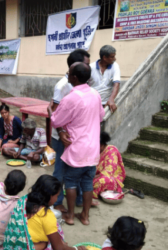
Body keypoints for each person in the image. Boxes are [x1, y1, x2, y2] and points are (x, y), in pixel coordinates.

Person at [49, 62, 105, 226]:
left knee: (71, 182)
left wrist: (50, 112)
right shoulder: (95, 94)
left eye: (69, 73)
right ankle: (85, 216)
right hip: (93, 149)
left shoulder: (71, 98)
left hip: (77, 149)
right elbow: (100, 116)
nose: (68, 75)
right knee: (88, 183)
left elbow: (56, 120)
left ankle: (71, 215)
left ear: (73, 77)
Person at [49, 49, 91, 213]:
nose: (88, 67)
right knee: (60, 170)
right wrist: (60, 132)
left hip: (75, 136)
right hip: (61, 137)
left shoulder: (82, 83)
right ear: (74, 66)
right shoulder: (62, 86)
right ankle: (57, 200)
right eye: (86, 64)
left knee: (77, 169)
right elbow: (54, 112)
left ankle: (79, 199)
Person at [3, 175, 84, 250]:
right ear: (50, 196)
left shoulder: (23, 200)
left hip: (15, 244)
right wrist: (76, 249)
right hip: (30, 246)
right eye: (57, 196)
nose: (56, 199)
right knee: (57, 239)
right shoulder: (46, 215)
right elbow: (58, 248)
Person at [92, 132, 126, 199]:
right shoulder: (96, 152)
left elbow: (108, 172)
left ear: (101, 145)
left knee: (102, 181)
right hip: (95, 175)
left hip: (111, 178)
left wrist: (92, 176)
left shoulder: (112, 150)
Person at [89, 45, 121, 113]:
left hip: (106, 104)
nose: (115, 59)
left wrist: (111, 99)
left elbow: (116, 84)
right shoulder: (91, 67)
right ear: (104, 58)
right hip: (91, 103)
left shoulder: (115, 66)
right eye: (112, 57)